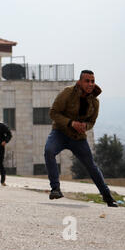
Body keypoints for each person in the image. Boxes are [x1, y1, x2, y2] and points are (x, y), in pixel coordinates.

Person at [44, 70, 117, 207]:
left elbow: (92, 122)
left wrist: (85, 126)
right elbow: (53, 113)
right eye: (87, 81)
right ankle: (55, 189)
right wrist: (71, 123)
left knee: (91, 166)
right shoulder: (68, 92)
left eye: (92, 81)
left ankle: (108, 197)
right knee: (49, 151)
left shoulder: (95, 102)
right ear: (79, 82)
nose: (90, 84)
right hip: (60, 132)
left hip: (78, 137)